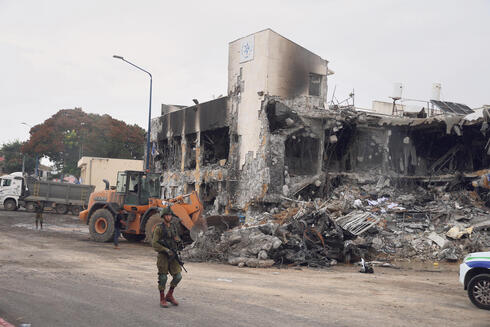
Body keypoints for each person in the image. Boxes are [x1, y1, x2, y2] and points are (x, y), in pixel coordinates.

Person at [152, 206, 182, 308]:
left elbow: (176, 237)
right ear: (163, 216)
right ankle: (162, 298)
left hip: (173, 255)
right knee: (163, 277)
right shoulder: (159, 228)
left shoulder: (173, 227)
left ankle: (169, 295)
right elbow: (155, 244)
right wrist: (166, 250)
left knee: (178, 276)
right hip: (163, 256)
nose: (169, 217)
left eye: (170, 215)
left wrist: (178, 242)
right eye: (167, 215)